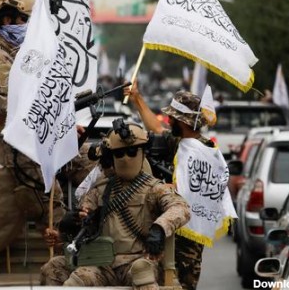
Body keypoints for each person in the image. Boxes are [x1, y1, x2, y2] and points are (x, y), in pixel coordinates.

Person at [40, 120, 190, 290]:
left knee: (142, 274)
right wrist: (73, 221)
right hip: (102, 262)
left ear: (143, 152)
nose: (125, 158)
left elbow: (181, 208)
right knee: (74, 278)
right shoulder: (101, 189)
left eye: (132, 152)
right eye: (119, 154)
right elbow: (84, 215)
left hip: (138, 260)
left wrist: (160, 228)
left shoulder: (154, 188)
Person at [0, 0, 64, 226]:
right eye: (25, 20)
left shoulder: (19, 51)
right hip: (18, 141)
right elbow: (10, 106)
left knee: (90, 161)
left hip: (38, 134)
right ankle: (58, 236)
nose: (29, 27)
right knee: (51, 199)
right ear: (7, 20)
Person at [124, 82, 218, 290]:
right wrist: (137, 98)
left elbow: (199, 189)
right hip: (173, 225)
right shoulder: (181, 141)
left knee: (182, 284)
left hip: (189, 235)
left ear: (183, 121)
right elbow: (156, 128)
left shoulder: (205, 150)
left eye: (173, 117)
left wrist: (170, 188)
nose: (169, 120)